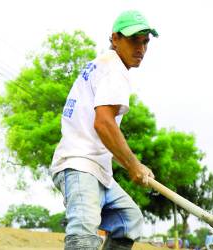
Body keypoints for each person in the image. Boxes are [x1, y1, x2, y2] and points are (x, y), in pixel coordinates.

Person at [50, 10, 158, 250]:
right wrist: (134, 165)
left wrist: (133, 165)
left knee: (129, 221)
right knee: (84, 235)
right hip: (80, 164)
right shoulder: (115, 70)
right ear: (115, 38)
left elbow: (102, 128)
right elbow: (104, 123)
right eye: (134, 40)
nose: (141, 48)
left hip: (98, 169)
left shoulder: (103, 64)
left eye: (145, 41)